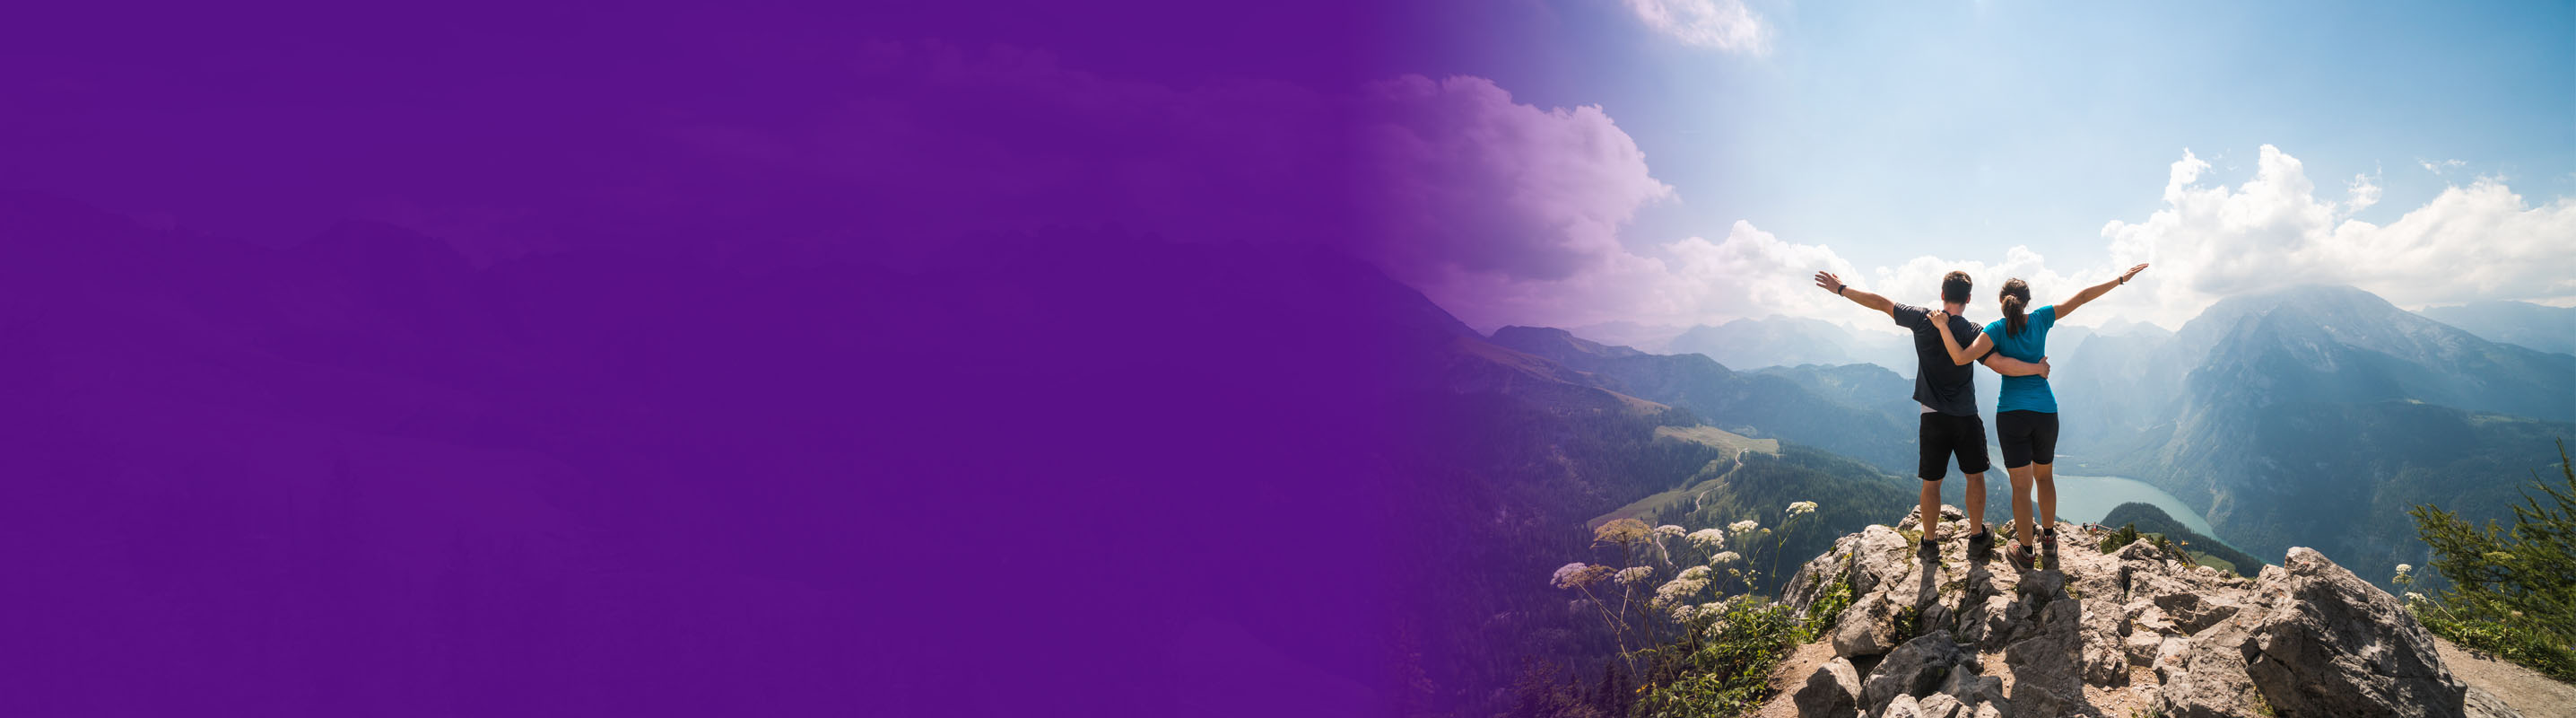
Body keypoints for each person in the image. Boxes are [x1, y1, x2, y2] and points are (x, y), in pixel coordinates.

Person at [1814, 269, 2050, 560]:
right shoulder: (1974, 331)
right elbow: (2000, 364)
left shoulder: (1922, 318)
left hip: (1932, 416)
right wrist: (2036, 369)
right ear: (1968, 299)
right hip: (1966, 415)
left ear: (1942, 294)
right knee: (1975, 477)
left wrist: (1842, 289)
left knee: (1931, 482)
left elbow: (1881, 303)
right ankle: (1977, 537)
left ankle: (1929, 543)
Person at [1928, 263, 2149, 567]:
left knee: (2021, 487)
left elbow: (1960, 357)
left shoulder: (1994, 330)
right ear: (2028, 301)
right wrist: (2121, 279)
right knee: (2045, 478)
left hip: (2012, 414)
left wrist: (1942, 328)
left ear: (2002, 301)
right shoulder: (2043, 318)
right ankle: (2049, 539)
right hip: (2046, 411)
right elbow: (2083, 297)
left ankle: (2026, 553)